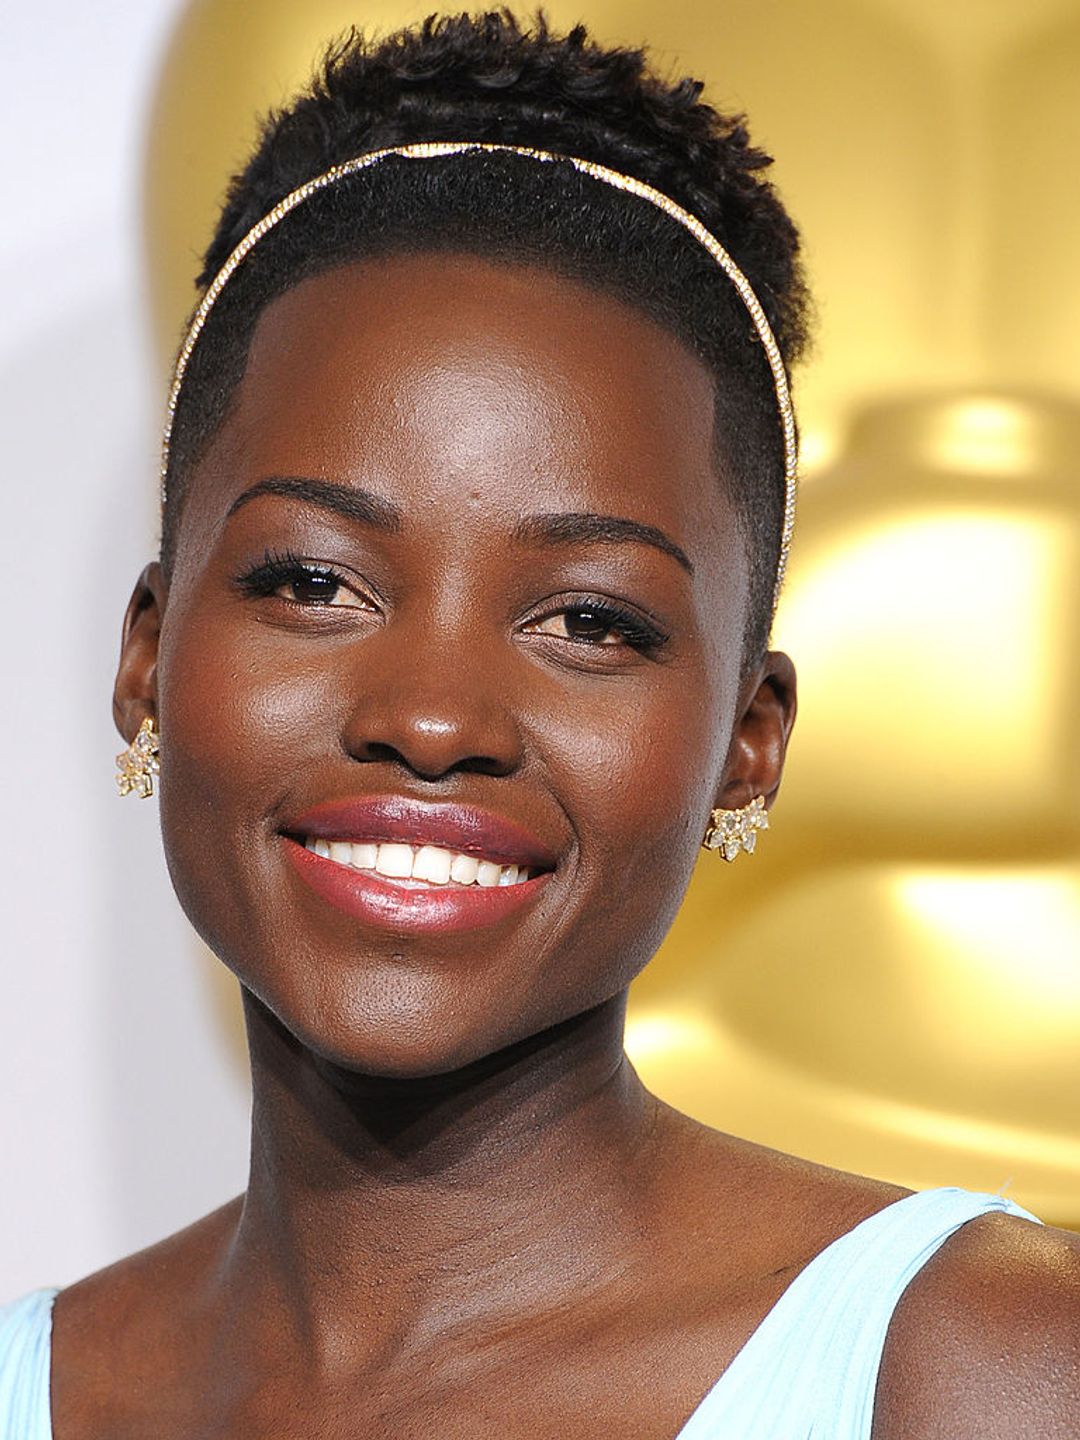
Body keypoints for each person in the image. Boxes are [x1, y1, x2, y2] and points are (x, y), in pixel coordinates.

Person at [2, 12, 1077, 1437]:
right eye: (316, 582)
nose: (434, 718)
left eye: (588, 620)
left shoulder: (994, 1370)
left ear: (748, 743)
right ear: (147, 656)